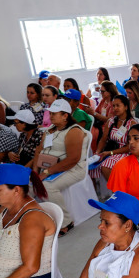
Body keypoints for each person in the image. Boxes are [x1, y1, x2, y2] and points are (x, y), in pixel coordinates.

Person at [38, 99, 88, 236]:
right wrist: (36, 172)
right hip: (50, 167)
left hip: (73, 168)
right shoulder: (50, 130)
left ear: (65, 116)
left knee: (48, 187)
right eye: (50, 113)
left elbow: (73, 159)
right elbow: (39, 150)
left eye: (55, 113)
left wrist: (47, 172)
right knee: (30, 184)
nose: (51, 116)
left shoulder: (74, 131)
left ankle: (66, 222)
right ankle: (46, 219)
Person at [90, 95, 138, 181]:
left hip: (126, 153)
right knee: (92, 165)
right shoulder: (111, 121)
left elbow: (129, 147)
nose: (115, 108)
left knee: (105, 165)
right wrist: (97, 152)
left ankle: (116, 190)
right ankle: (99, 191)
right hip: (111, 150)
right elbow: (103, 139)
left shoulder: (131, 124)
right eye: (114, 106)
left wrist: (110, 153)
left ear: (126, 107)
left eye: (118, 105)